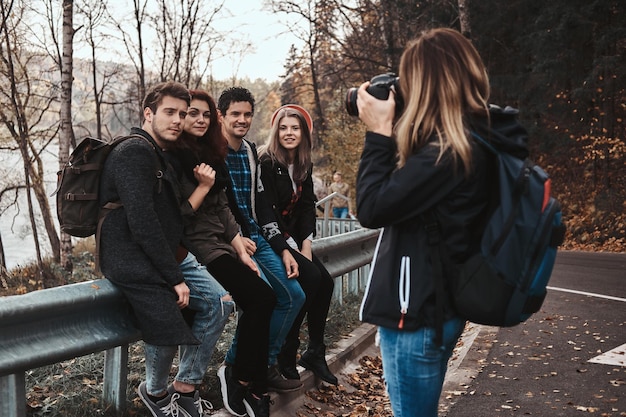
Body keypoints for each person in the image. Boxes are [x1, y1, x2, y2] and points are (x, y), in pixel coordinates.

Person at [355, 28, 494, 417]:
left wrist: (378, 132)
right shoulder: (472, 138)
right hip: (437, 305)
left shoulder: (446, 153)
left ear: (427, 84)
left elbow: (371, 207)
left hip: (413, 315)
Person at [98, 81, 218, 417]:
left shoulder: (160, 153)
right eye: (170, 112)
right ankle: (157, 394)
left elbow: (173, 214)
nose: (178, 120)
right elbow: (142, 221)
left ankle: (184, 388)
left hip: (161, 253)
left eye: (182, 113)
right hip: (129, 255)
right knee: (166, 318)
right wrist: (174, 276)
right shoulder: (134, 152)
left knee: (217, 302)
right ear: (148, 114)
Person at [169, 89, 277, 417]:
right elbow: (177, 216)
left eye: (204, 114)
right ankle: (241, 379)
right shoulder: (173, 157)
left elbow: (223, 207)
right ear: (181, 116)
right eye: (192, 114)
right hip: (197, 249)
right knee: (260, 299)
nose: (199, 120)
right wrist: (201, 186)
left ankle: (248, 381)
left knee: (265, 299)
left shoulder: (211, 152)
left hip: (220, 245)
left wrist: (240, 248)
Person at [216, 87, 306, 395]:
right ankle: (236, 366)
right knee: (261, 299)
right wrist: (235, 238)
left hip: (258, 237)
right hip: (232, 240)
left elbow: (263, 205)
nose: (242, 120)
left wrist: (283, 249)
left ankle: (262, 365)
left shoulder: (251, 152)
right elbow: (218, 206)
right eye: (235, 114)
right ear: (221, 116)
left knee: (294, 296)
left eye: (247, 114)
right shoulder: (213, 153)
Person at [258, 104, 338, 385]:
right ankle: (286, 351)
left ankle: (315, 351)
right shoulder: (266, 162)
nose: (289, 133)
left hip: (294, 238)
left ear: (304, 134)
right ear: (275, 131)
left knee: (325, 283)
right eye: (283, 128)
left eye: (295, 128)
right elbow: (265, 210)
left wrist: (306, 244)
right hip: (272, 238)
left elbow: (306, 208)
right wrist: (287, 246)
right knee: (311, 278)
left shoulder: (304, 163)